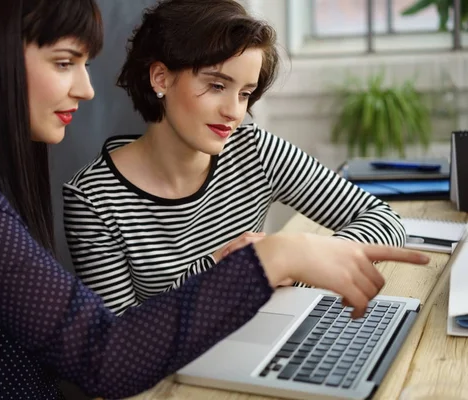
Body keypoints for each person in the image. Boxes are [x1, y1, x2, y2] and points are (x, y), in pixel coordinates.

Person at [0, 0, 428, 399]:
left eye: (247, 93)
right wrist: (270, 260)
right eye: (65, 63)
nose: (86, 89)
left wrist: (293, 264)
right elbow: (108, 356)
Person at [63, 0, 409, 316]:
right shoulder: (93, 198)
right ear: (161, 78)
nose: (234, 112)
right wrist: (224, 268)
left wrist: (299, 261)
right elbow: (118, 340)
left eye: (245, 94)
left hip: (262, 337)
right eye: (216, 86)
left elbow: (383, 220)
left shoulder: (253, 149)